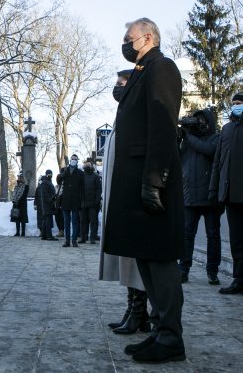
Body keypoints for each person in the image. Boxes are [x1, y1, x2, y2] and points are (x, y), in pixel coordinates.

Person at [104, 18, 185, 363]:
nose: (124, 43)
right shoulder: (141, 71)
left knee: (159, 258)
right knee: (144, 256)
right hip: (134, 180)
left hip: (151, 180)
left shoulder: (162, 68)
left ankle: (171, 338)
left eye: (129, 38)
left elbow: (163, 126)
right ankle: (159, 331)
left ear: (147, 37)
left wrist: (154, 179)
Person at [99, 69, 150, 335]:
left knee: (135, 257)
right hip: (119, 198)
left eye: (122, 83)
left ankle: (140, 312)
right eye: (116, 83)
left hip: (133, 198)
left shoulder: (138, 114)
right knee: (126, 258)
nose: (117, 87)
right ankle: (133, 309)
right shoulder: (122, 115)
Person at [178, 109, 222, 285]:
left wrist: (188, 137)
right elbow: (178, 158)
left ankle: (212, 271)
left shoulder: (216, 138)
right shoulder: (187, 141)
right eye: (195, 121)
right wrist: (179, 137)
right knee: (187, 234)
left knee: (213, 235)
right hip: (190, 195)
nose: (198, 124)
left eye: (201, 121)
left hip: (211, 197)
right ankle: (183, 269)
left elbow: (208, 150)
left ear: (209, 122)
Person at [209, 93, 243, 295]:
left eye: (239, 103)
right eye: (235, 104)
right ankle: (239, 280)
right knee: (236, 240)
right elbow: (218, 162)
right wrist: (214, 189)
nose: (236, 107)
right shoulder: (227, 129)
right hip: (230, 195)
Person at [57, 154, 84, 247]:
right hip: (66, 201)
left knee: (75, 221)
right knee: (66, 221)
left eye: (75, 159)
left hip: (76, 201)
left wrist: (81, 200)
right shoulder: (65, 170)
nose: (73, 160)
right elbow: (58, 181)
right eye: (72, 159)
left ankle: (74, 240)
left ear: (77, 161)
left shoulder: (80, 173)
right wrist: (62, 173)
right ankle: (67, 240)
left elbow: (82, 188)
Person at [81, 160, 102, 244]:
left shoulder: (96, 176)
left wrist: (97, 201)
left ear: (91, 166)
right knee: (83, 221)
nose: (87, 166)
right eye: (86, 165)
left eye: (89, 165)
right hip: (83, 203)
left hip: (93, 203)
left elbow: (99, 189)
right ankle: (83, 237)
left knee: (93, 221)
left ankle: (92, 237)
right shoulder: (82, 176)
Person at [39, 170, 57, 241]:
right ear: (46, 174)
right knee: (48, 220)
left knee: (46, 220)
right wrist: (51, 199)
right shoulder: (45, 182)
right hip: (47, 204)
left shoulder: (48, 181)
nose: (50, 175)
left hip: (48, 203)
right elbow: (45, 194)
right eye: (49, 174)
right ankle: (49, 236)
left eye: (51, 174)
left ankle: (44, 235)